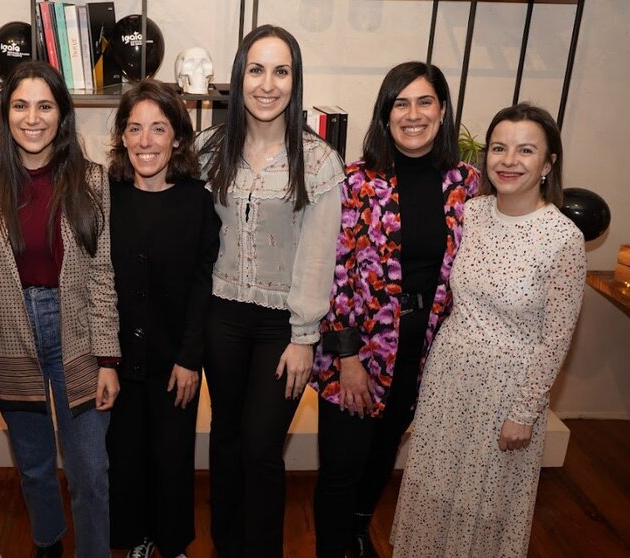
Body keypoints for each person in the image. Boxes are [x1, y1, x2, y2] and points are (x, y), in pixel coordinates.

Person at [391, 103, 585, 557]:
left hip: (507, 393)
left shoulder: (562, 238)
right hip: (449, 377)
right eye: (499, 148)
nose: (508, 160)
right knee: (432, 493)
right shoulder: (471, 214)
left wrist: (525, 411)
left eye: (525, 150)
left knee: (485, 506)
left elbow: (556, 339)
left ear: (548, 163)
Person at [309, 61, 480, 558]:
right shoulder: (355, 182)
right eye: (400, 103)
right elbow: (333, 274)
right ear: (385, 116)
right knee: (342, 466)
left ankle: (358, 534)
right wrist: (348, 358)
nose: (413, 114)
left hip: (425, 350)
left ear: (442, 110)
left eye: (424, 101)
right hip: (357, 352)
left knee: (383, 454)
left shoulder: (466, 185)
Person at [0, 60, 120, 558]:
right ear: (6, 114)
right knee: (32, 466)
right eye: (20, 105)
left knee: (90, 470)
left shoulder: (91, 180)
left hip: (76, 335)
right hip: (9, 336)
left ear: (62, 114)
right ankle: (48, 545)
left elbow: (101, 273)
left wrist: (108, 359)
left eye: (45, 105)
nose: (33, 118)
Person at [197, 25, 344, 557]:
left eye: (281, 71)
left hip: (283, 325)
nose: (267, 84)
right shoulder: (207, 152)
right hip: (221, 316)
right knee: (227, 435)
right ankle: (226, 545)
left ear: (295, 80)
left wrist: (305, 336)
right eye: (256, 70)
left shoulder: (319, 161)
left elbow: (318, 253)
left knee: (261, 447)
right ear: (239, 79)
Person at [106, 79, 220, 558]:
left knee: (171, 458)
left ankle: (170, 541)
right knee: (126, 458)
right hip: (115, 361)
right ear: (123, 136)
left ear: (177, 137)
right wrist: (103, 358)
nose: (145, 141)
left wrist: (190, 358)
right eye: (135, 129)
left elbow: (203, 285)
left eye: (158, 128)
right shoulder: (105, 196)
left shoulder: (197, 201)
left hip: (175, 359)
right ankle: (136, 539)